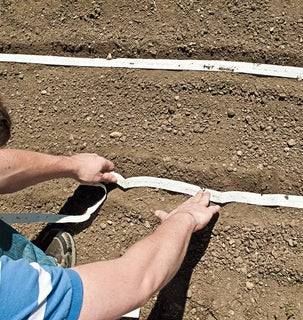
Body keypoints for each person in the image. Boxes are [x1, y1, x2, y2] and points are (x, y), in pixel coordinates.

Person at [0, 99, 220, 320]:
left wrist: (72, 165)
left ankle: (37, 270)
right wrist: (184, 219)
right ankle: (47, 285)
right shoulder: (8, 292)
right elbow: (135, 283)